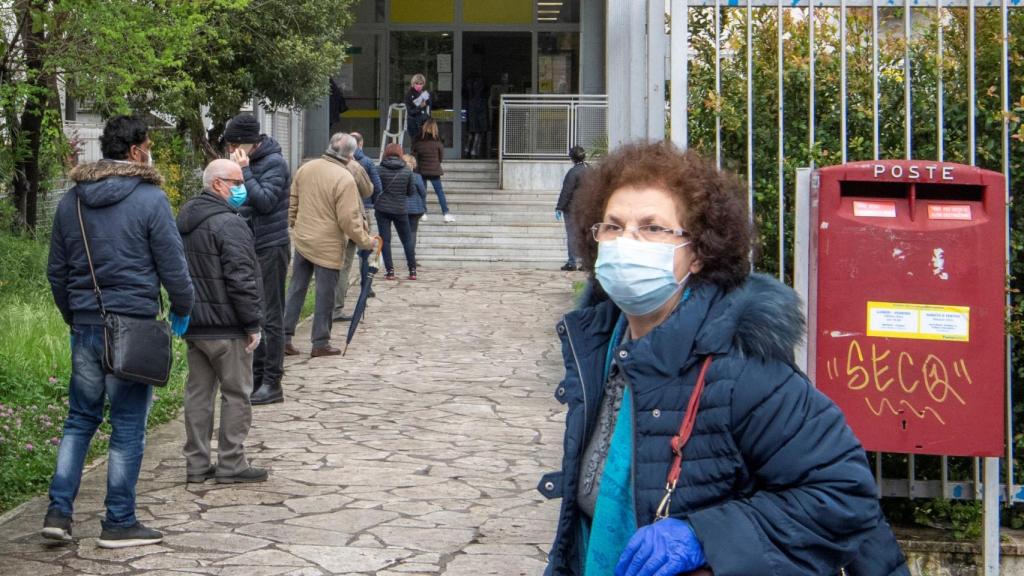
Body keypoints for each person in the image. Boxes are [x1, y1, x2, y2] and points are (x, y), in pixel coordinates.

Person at [540, 142, 909, 576]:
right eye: (613, 226)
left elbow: (842, 496)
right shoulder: (599, 350)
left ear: (696, 253)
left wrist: (703, 536)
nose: (626, 243)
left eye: (653, 228)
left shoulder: (742, 366)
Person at [44, 115, 194, 548]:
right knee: (128, 425)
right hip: (134, 327)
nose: (151, 152)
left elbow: (57, 271)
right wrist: (183, 309)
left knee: (79, 420)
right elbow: (173, 267)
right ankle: (118, 521)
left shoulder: (70, 200)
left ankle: (58, 512)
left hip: (87, 326)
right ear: (134, 152)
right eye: (148, 145)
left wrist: (75, 316)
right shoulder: (151, 199)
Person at [176, 159, 268, 486]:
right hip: (227, 325)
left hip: (195, 323)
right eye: (236, 181)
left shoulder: (185, 218)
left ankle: (197, 463)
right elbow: (241, 277)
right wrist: (252, 322)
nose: (242, 188)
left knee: (198, 394)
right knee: (236, 393)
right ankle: (231, 462)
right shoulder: (229, 223)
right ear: (218, 184)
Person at [282, 134, 379, 359]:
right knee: (326, 293)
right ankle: (320, 342)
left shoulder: (306, 168)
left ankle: (284, 338)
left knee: (296, 288)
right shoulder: (344, 178)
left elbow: (293, 202)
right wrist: (366, 241)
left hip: (304, 238)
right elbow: (349, 218)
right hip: (328, 244)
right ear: (351, 155)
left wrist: (295, 224)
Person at [223, 112, 291, 406]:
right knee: (255, 313)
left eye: (233, 145)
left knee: (271, 316)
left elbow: (264, 202)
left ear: (246, 144)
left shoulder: (274, 162)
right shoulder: (253, 162)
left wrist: (246, 172)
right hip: (251, 244)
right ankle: (256, 377)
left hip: (271, 246)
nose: (229, 152)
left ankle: (272, 382)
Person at [330, 133, 374, 323]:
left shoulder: (316, 166)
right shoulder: (354, 167)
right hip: (348, 221)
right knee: (343, 265)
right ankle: (336, 308)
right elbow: (368, 190)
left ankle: (326, 307)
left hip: (325, 222)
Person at [375, 143, 418, 280]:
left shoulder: (378, 169)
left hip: (382, 208)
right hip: (400, 209)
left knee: (385, 240)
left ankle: (390, 271)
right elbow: (411, 192)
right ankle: (412, 270)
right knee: (406, 240)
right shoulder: (407, 170)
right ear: (400, 153)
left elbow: (374, 188)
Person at [412, 118, 453, 223]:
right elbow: (440, 158)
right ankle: (446, 214)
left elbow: (414, 157)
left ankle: (423, 213)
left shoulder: (418, 142)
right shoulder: (438, 143)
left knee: (422, 192)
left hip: (421, 171)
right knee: (439, 192)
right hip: (434, 171)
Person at [556, 146, 589, 272]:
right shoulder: (590, 169)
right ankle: (585, 262)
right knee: (585, 235)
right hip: (587, 208)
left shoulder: (573, 172)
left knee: (572, 235)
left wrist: (559, 207)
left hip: (573, 209)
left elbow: (566, 191)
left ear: (572, 158)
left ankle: (572, 262)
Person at [403, 154, 428, 248]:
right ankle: (411, 253)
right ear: (413, 165)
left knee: (405, 232)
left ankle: (407, 250)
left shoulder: (400, 176)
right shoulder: (417, 177)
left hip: (403, 208)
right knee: (413, 231)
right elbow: (423, 192)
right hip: (416, 209)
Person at [405, 73, 430, 144]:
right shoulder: (409, 94)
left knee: (426, 141)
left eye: (421, 83)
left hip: (424, 120)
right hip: (414, 122)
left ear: (423, 84)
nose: (419, 85)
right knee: (416, 143)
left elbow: (429, 107)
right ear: (413, 83)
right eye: (417, 83)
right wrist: (420, 107)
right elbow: (410, 112)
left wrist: (427, 101)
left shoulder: (424, 93)